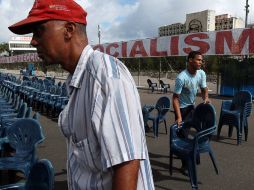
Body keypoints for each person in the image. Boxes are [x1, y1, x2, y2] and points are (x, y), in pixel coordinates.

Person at [8, 0, 154, 190]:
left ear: (68, 30)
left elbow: (127, 165)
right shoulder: (79, 80)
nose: (33, 41)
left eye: (39, 31)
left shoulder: (106, 77)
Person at [172, 50, 210, 174]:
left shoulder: (201, 74)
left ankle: (193, 155)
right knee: (182, 136)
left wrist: (206, 98)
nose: (201, 62)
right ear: (190, 60)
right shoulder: (181, 77)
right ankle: (185, 165)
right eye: (198, 60)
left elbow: (204, 89)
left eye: (201, 60)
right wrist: (178, 117)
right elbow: (175, 99)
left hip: (192, 107)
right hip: (182, 109)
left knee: (198, 133)